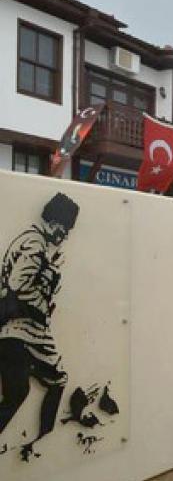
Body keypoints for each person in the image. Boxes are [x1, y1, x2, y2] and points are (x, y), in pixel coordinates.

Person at [0, 192, 79, 461]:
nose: (65, 236)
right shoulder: (35, 244)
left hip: (13, 331)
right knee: (57, 380)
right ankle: (46, 438)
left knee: (16, 394)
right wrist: (41, 305)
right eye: (65, 229)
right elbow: (17, 286)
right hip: (26, 330)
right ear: (56, 224)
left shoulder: (29, 241)